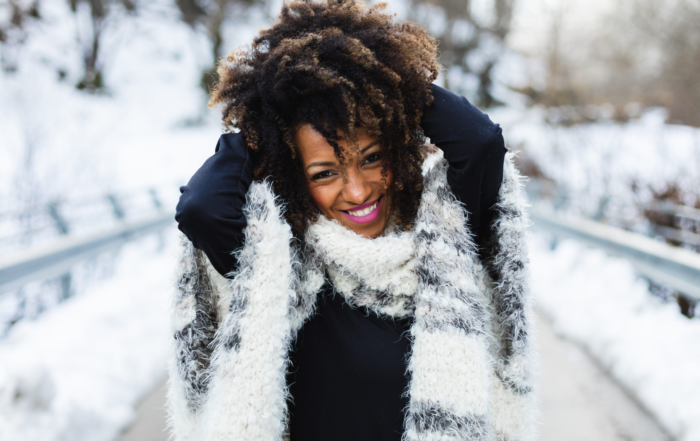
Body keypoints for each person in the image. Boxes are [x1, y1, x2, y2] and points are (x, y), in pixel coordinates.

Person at [168, 1, 538, 440]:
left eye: (371, 158)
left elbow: (480, 144)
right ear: (295, 178)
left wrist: (389, 80)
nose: (358, 191)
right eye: (324, 173)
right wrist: (262, 123)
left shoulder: (445, 239)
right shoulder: (280, 265)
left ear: (398, 148)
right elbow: (201, 208)